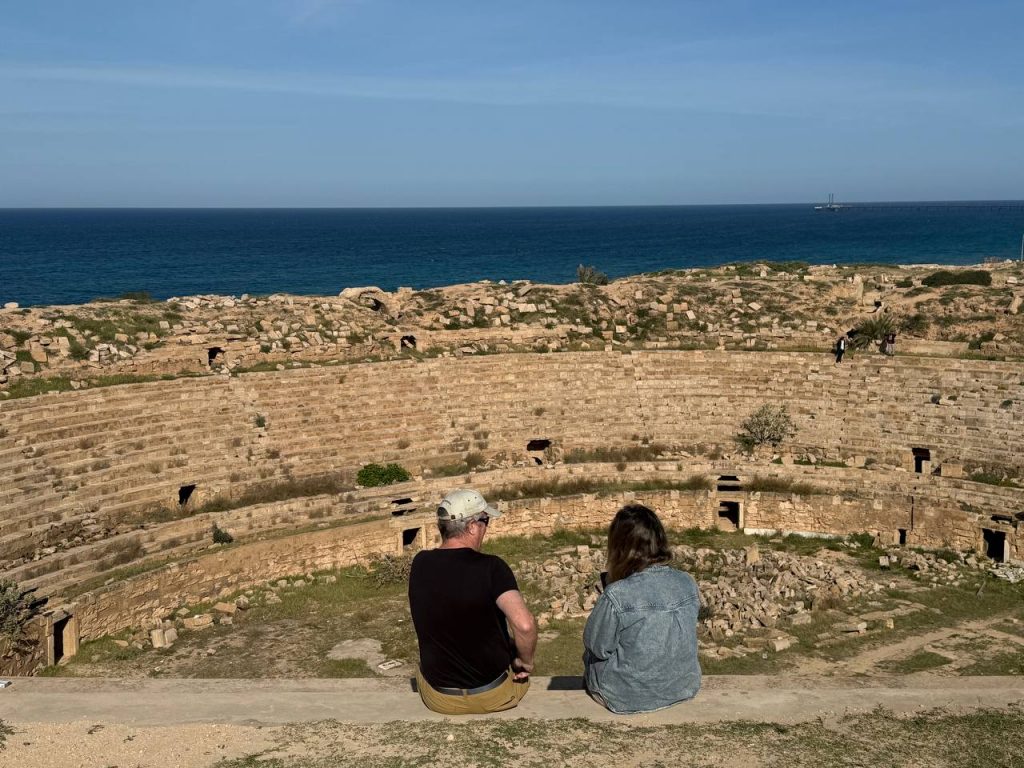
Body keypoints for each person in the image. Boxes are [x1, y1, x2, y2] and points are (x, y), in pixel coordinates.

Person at [408, 488, 537, 714]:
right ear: (471, 526)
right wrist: (524, 662)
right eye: (485, 520)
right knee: (518, 676)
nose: (487, 527)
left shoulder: (420, 563)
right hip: (492, 696)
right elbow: (524, 626)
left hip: (440, 698)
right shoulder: (492, 568)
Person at [583, 504, 701, 714]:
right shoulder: (687, 582)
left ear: (620, 547)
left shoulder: (617, 595)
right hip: (683, 688)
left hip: (625, 697)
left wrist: (609, 590)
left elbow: (598, 646)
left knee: (591, 655)